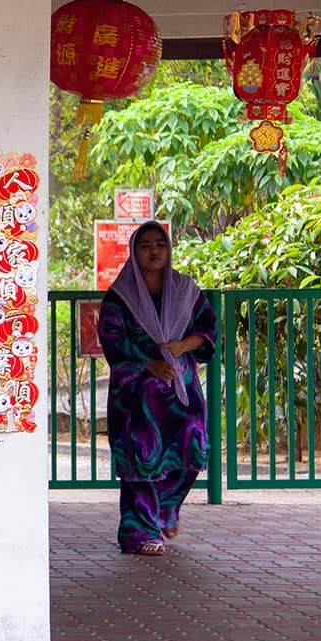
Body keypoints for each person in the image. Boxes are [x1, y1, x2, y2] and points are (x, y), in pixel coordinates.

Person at [97, 221, 216, 556]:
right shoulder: (120, 297)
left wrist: (180, 346)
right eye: (146, 244)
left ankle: (165, 510)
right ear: (134, 252)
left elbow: (208, 331)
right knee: (142, 460)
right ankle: (140, 532)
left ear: (168, 250)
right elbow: (113, 341)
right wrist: (149, 364)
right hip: (137, 398)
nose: (154, 250)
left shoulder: (185, 290)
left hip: (181, 392)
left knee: (191, 452)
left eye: (160, 244)